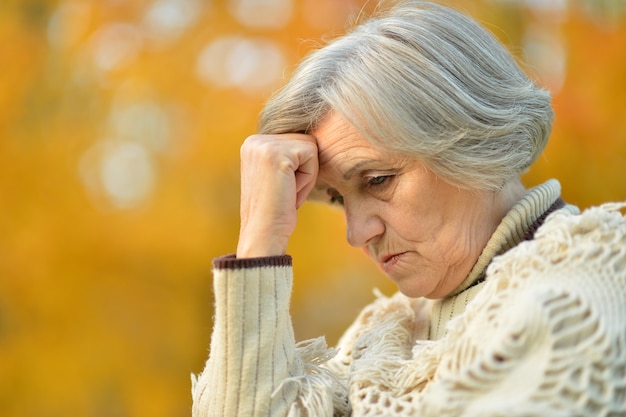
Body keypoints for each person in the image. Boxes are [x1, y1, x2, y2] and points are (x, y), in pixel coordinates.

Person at [191, 1, 626, 416]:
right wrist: (259, 239)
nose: (356, 234)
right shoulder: (385, 333)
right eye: (340, 198)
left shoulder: (580, 295)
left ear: (473, 139)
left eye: (378, 180)